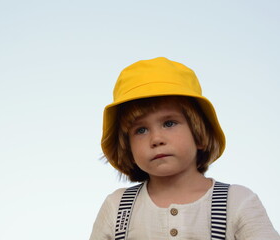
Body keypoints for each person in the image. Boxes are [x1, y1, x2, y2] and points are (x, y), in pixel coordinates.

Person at [89, 57, 279, 240]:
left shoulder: (237, 202)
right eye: (141, 130)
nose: (156, 139)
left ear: (198, 135)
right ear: (128, 149)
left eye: (169, 123)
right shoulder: (117, 207)